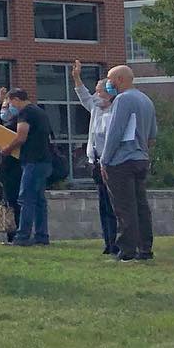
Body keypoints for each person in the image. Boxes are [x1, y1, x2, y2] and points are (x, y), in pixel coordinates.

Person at [100, 64, 158, 262]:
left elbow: (115, 131)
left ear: (120, 80)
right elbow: (152, 135)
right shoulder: (146, 100)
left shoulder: (123, 99)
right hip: (141, 158)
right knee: (141, 207)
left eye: (110, 79)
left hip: (122, 161)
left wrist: (104, 160)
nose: (109, 83)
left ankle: (126, 252)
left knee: (124, 208)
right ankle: (145, 249)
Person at [73, 59, 119, 256]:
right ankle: (108, 242)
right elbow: (84, 97)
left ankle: (118, 242)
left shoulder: (116, 111)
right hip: (96, 162)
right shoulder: (96, 109)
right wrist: (76, 78)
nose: (95, 95)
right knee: (103, 205)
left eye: (99, 91)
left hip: (111, 163)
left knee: (114, 205)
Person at [1, 87, 54, 246]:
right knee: (39, 200)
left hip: (33, 161)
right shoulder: (39, 111)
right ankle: (41, 236)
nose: (11, 106)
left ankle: (22, 236)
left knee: (26, 198)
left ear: (16, 100)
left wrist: (7, 149)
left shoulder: (25, 113)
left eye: (11, 103)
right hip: (44, 160)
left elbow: (21, 136)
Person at [0, 86, 22, 243]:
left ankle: (15, 235)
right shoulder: (8, 122)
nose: (5, 109)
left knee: (13, 202)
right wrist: (0, 104)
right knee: (5, 201)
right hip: (3, 168)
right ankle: (10, 234)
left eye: (7, 105)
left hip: (12, 168)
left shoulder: (19, 122)